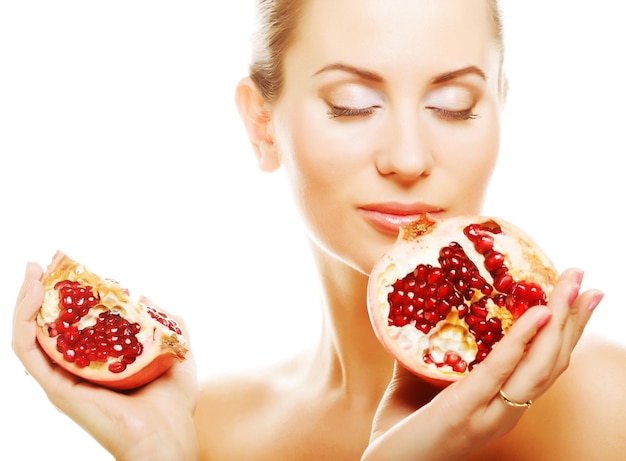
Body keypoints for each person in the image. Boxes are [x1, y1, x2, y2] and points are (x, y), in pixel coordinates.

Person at [12, 0, 626, 459]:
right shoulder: (209, 431)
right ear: (263, 125)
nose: (408, 158)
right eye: (353, 103)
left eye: (454, 106)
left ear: (499, 110)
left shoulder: (610, 405)